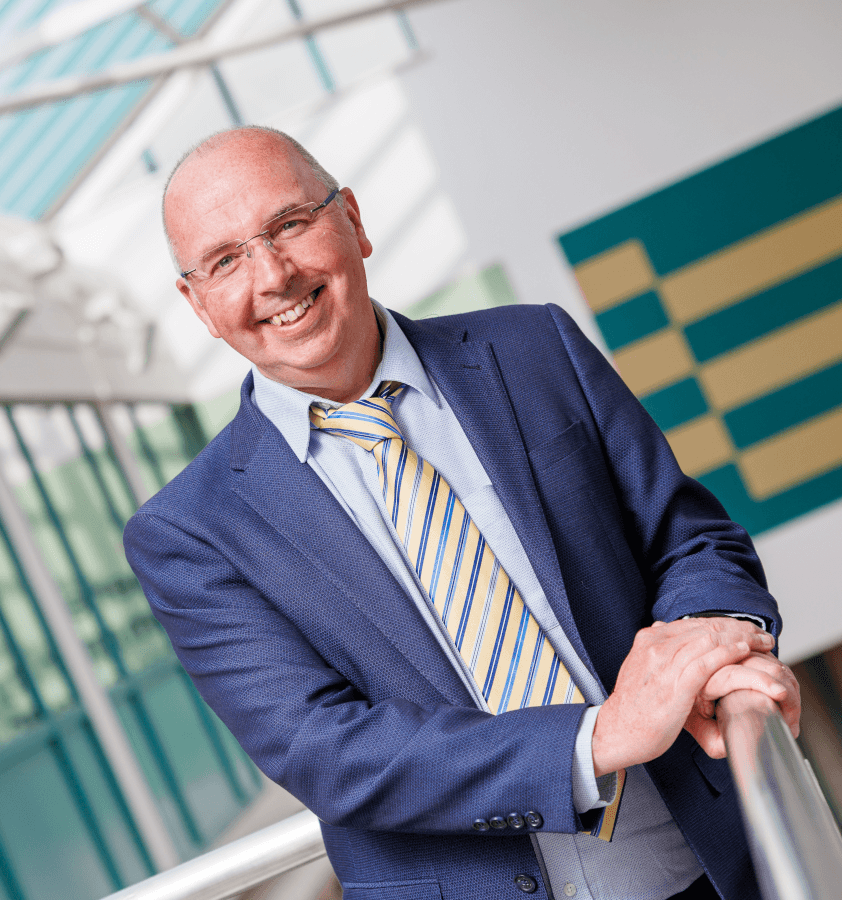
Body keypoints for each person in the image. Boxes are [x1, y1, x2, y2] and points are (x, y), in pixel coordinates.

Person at [124, 126, 801, 900]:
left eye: (289, 225)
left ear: (353, 218)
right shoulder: (191, 533)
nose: (273, 274)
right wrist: (596, 738)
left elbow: (687, 539)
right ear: (198, 302)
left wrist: (712, 644)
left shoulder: (534, 347)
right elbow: (327, 752)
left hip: (719, 863)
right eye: (225, 259)